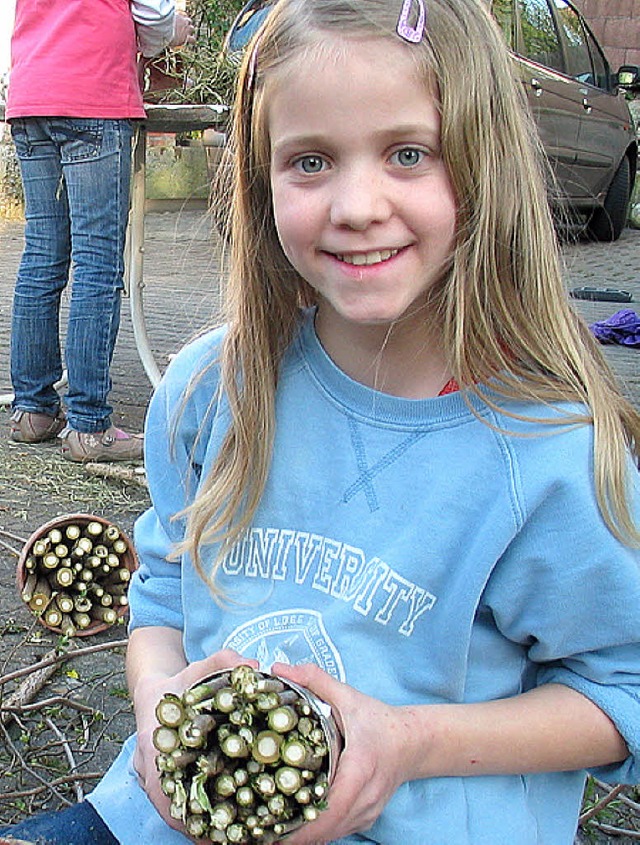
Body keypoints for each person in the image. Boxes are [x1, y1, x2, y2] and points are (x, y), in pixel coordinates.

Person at [2, 0, 640, 842]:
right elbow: (160, 597)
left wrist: (409, 744)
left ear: (484, 165)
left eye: (409, 154)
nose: (357, 204)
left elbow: (619, 694)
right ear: (261, 182)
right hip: (155, 821)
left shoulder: (552, 449)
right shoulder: (209, 389)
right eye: (310, 161)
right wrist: (160, 713)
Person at [4, 0, 194, 462]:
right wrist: (172, 33)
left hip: (30, 97)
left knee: (42, 256)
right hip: (91, 97)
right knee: (97, 262)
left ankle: (34, 410)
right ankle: (89, 426)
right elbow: (153, 14)